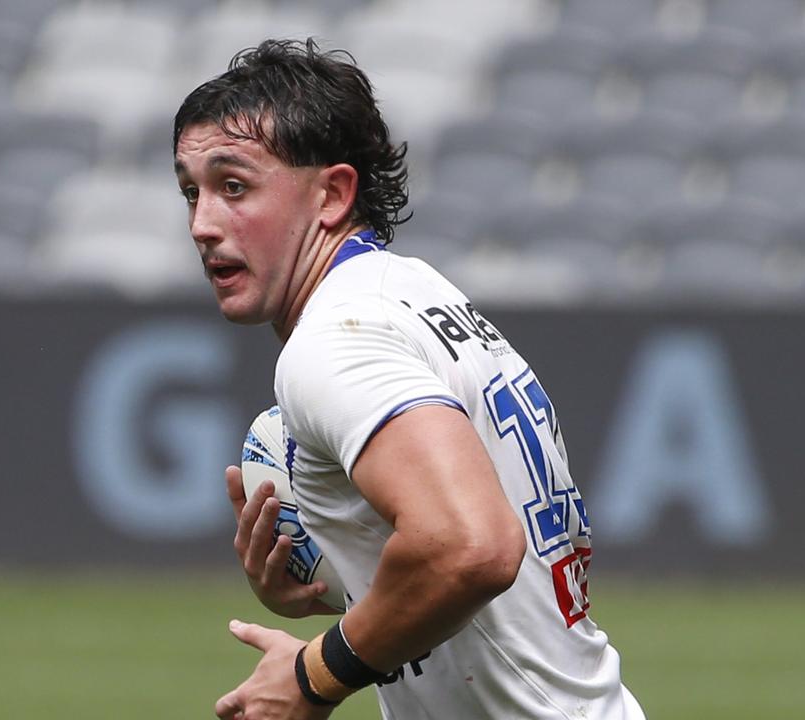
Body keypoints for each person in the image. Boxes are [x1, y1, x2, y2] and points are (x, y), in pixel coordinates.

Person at [173, 38, 644, 720]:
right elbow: (468, 566)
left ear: (332, 193)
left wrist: (312, 676)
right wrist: (331, 577)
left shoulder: (333, 341)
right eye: (192, 192)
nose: (201, 225)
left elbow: (472, 547)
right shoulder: (418, 293)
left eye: (234, 186)